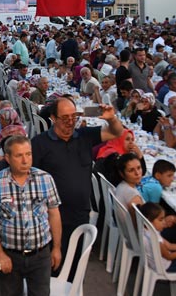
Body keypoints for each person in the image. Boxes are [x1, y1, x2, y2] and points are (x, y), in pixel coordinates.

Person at [31, 97, 123, 260]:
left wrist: (111, 118)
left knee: (74, 262)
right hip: (51, 215)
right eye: (65, 118)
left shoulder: (84, 136)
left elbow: (116, 132)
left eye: (74, 117)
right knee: (52, 263)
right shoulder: (39, 143)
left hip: (79, 214)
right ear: (53, 118)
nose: (70, 122)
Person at [0, 135, 62, 295]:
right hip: (10, 254)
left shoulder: (45, 179)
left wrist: (57, 248)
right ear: (8, 158)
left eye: (28, 154)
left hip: (40, 254)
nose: (25, 160)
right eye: (19, 155)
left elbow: (54, 214)